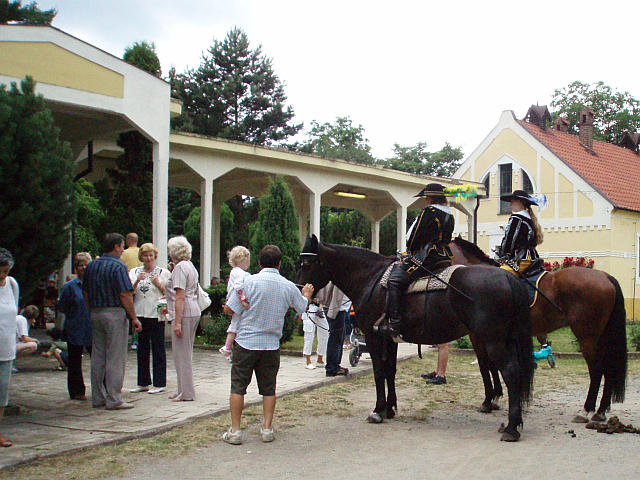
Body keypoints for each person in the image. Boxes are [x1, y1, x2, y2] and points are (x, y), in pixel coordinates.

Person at [221, 245, 313, 445]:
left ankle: (235, 430)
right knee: (269, 388)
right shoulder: (287, 285)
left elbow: (230, 308)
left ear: (259, 263)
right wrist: (306, 294)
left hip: (246, 341)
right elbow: (302, 308)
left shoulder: (249, 282)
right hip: (271, 344)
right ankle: (267, 428)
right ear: (279, 263)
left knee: (238, 387)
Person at [386, 183, 455, 338]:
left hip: (426, 256)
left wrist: (410, 250)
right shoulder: (449, 214)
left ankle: (395, 322)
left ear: (430, 198)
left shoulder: (429, 211)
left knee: (395, 281)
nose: (426, 200)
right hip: (444, 255)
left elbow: (414, 236)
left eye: (427, 197)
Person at [83, 233, 142, 410]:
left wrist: (91, 309)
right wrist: (133, 317)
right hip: (115, 312)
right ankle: (114, 398)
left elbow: (85, 291)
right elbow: (125, 294)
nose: (123, 250)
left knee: (98, 356)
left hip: (96, 312)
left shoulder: (91, 266)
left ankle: (97, 397)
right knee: (115, 357)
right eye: (122, 246)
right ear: (116, 246)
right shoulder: (118, 266)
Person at [129, 243, 170, 394]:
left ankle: (160, 383)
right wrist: (137, 281)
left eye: (151, 255)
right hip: (140, 313)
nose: (148, 258)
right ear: (141, 257)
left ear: (155, 256)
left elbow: (169, 292)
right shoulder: (135, 271)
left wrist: (158, 284)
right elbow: (129, 291)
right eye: (145, 255)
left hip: (156, 313)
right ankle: (143, 381)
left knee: (158, 347)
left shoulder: (163, 272)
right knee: (142, 348)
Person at [165, 236, 200, 402]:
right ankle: (182, 389)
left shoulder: (180, 268)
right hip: (193, 310)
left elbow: (180, 296)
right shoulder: (190, 266)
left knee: (182, 354)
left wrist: (177, 322)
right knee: (183, 352)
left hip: (185, 312)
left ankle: (187, 392)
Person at [58, 252, 93, 400]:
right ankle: (77, 391)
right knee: (74, 361)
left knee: (98, 360)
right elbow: (62, 306)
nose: (83, 267)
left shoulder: (94, 284)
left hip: (93, 328)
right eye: (80, 265)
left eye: (86, 264)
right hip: (75, 327)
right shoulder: (70, 287)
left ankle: (102, 388)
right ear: (76, 268)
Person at [497, 189, 544, 277]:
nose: (510, 205)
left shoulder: (516, 219)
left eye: (512, 201)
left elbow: (510, 240)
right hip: (533, 258)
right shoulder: (530, 219)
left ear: (519, 202)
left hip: (521, 259)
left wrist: (503, 253)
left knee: (498, 276)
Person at [0, 248, 19, 447]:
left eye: (5, 271)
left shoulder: (12, 285)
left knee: (2, 392)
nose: (2, 276)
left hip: (6, 348)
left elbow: (14, 312)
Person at [219, 246, 251, 361]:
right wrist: (243, 300)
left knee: (236, 323)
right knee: (235, 324)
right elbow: (238, 287)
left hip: (235, 301)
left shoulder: (236, 272)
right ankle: (227, 347)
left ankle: (229, 347)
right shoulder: (239, 273)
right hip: (237, 302)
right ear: (243, 259)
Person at [317, 283, 350, 377]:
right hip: (337, 307)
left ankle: (335, 365)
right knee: (336, 337)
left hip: (340, 307)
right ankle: (332, 367)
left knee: (339, 336)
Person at [301, 299, 328, 369]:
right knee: (309, 335)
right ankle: (308, 361)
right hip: (309, 308)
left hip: (319, 308)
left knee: (325, 332)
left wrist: (321, 305)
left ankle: (320, 359)